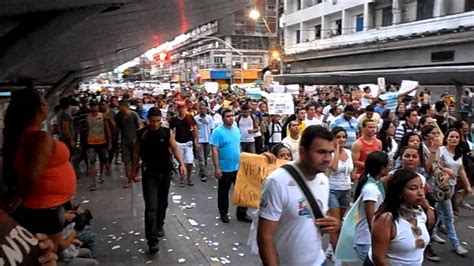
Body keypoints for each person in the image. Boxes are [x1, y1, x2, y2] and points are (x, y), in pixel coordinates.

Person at [3, 89, 76, 251]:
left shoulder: (25, 136)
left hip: (45, 206)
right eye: (44, 103)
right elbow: (33, 175)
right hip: (45, 208)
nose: (48, 106)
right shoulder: (39, 139)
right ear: (37, 108)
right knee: (50, 252)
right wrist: (20, 196)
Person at [257, 125, 340, 265]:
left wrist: (332, 224)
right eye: (321, 152)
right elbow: (265, 236)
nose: (327, 159)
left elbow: (309, 222)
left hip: (318, 261)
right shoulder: (277, 182)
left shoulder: (324, 181)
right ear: (302, 152)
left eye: (331, 152)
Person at [131, 107, 186, 254]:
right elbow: (136, 153)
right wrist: (133, 171)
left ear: (160, 120)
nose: (155, 124)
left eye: (157, 121)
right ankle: (152, 240)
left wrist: (181, 163)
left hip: (165, 173)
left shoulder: (167, 132)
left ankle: (159, 224)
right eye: (152, 121)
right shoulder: (141, 134)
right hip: (149, 174)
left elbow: (174, 148)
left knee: (163, 203)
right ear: (148, 120)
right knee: (151, 208)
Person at [366, 169, 434, 266]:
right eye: (413, 188)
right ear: (399, 193)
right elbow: (378, 258)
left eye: (421, 187)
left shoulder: (420, 213)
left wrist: (430, 209)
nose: (420, 193)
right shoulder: (385, 219)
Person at [430, 129, 471, 256]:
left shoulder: (459, 152)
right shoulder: (441, 151)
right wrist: (447, 173)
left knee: (438, 212)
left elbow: (461, 169)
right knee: (449, 216)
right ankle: (456, 244)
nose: (454, 139)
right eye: (451, 136)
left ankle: (431, 233)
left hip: (451, 188)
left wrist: (467, 185)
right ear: (446, 138)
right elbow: (436, 166)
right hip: (441, 187)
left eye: (457, 137)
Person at [210, 108, 251, 223]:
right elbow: (214, 150)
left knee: (242, 191)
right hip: (224, 168)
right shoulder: (217, 132)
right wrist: (217, 168)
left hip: (237, 166)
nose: (230, 118)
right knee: (223, 192)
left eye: (232, 115)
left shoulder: (236, 130)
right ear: (223, 119)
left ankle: (242, 213)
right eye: (228, 116)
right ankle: (224, 213)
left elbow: (239, 146)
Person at [353, 151, 389, 262]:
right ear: (382, 169)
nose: (390, 168)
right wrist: (377, 241)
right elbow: (371, 220)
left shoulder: (375, 183)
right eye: (388, 165)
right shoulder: (371, 189)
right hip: (366, 241)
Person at [326, 127, 354, 261]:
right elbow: (334, 167)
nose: (342, 140)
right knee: (335, 222)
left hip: (346, 190)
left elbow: (351, 171)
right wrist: (336, 148)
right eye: (338, 137)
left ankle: (331, 247)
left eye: (344, 137)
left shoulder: (349, 152)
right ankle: (335, 252)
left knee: (340, 222)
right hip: (332, 189)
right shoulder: (330, 153)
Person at [169, 101, 199, 186]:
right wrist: (172, 143)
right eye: (179, 108)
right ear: (177, 109)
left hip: (189, 142)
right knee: (180, 162)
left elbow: (195, 128)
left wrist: (196, 141)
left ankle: (189, 177)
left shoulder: (189, 117)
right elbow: (171, 131)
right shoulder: (174, 119)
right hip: (178, 143)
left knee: (189, 161)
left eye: (182, 108)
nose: (181, 110)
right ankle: (182, 178)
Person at [84, 100, 111, 191]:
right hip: (91, 142)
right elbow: (87, 130)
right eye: (92, 106)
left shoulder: (103, 116)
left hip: (102, 141)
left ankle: (101, 176)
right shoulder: (87, 117)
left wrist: (109, 141)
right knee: (92, 162)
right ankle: (93, 182)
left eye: (95, 106)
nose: (94, 108)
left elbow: (107, 128)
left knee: (103, 159)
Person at [115, 100, 142, 188]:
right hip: (124, 141)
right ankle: (129, 179)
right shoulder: (119, 116)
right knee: (126, 161)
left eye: (120, 106)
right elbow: (117, 126)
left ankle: (135, 174)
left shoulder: (134, 115)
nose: (118, 108)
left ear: (125, 106)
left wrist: (137, 139)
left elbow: (139, 126)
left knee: (135, 159)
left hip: (134, 141)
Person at [194, 102, 214, 182]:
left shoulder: (209, 118)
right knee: (201, 158)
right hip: (200, 140)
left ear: (206, 109)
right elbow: (194, 130)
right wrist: (196, 141)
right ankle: (203, 174)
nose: (202, 110)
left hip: (208, 140)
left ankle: (202, 170)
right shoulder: (195, 119)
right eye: (200, 109)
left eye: (203, 108)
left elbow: (212, 129)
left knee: (205, 157)